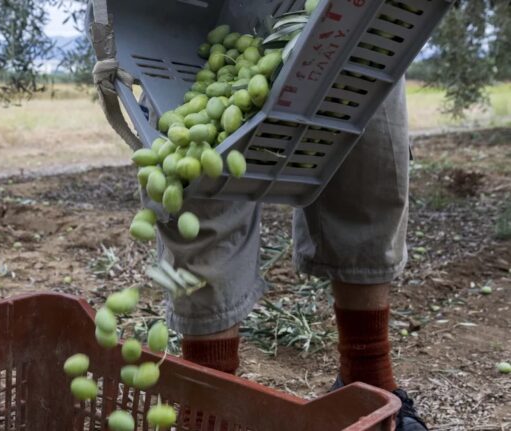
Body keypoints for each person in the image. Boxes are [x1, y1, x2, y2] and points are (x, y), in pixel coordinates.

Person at [140, 78, 427, 431]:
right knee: (197, 187)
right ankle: (207, 411)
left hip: (341, 26)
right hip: (191, 29)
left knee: (369, 160)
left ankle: (367, 378)